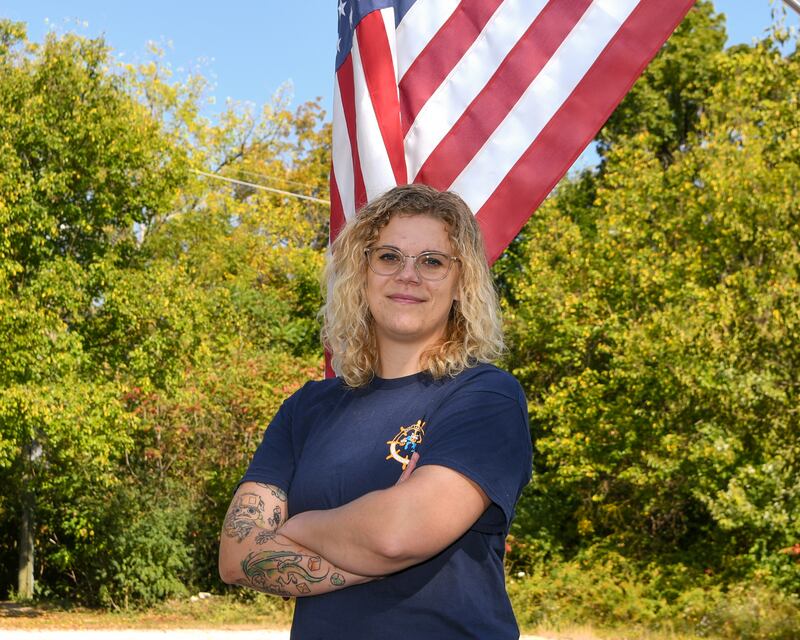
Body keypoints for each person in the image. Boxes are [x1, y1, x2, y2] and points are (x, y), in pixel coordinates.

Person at [218, 184, 532, 638]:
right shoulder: (308, 408)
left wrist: (300, 526)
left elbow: (396, 537)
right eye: (388, 257)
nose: (408, 275)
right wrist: (371, 544)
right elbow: (236, 556)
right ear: (362, 275)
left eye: (432, 261)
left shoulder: (485, 397)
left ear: (461, 284)